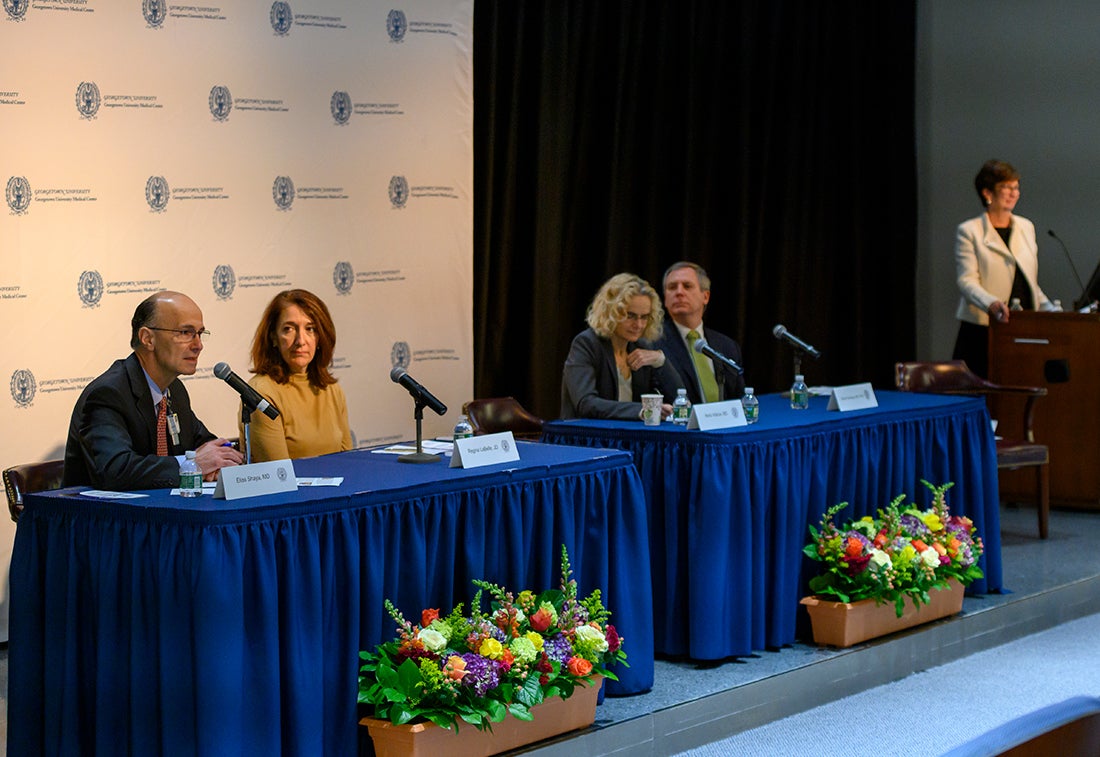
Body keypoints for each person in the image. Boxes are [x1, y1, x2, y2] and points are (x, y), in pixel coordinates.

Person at [63, 291, 243, 490]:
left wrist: (221, 460)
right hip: (99, 517)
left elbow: (203, 443)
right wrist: (193, 465)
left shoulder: (175, 389)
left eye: (200, 333)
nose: (198, 345)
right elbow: (115, 470)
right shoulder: (109, 393)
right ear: (147, 338)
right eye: (185, 333)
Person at [954, 159, 1057, 377]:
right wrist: (991, 303)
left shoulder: (1025, 227)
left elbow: (1027, 281)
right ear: (987, 193)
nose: (1013, 193)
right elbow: (966, 281)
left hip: (1023, 326)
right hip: (985, 329)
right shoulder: (969, 231)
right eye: (1006, 187)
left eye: (1016, 187)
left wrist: (1052, 311)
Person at [241, 289, 352, 461]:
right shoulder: (261, 393)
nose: (301, 341)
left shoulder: (331, 389)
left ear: (321, 337)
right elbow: (280, 475)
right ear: (273, 337)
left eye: (310, 329)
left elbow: (347, 460)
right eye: (289, 329)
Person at [560, 272, 683, 420]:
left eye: (644, 317)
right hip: (588, 438)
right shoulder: (587, 344)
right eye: (630, 316)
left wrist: (660, 361)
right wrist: (640, 410)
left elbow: (680, 399)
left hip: (633, 439)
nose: (638, 325)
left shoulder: (642, 347)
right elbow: (586, 404)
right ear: (611, 312)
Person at [654, 261, 745, 405]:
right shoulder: (653, 343)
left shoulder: (727, 346)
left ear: (706, 297)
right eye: (672, 287)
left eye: (687, 286)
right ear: (665, 298)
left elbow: (739, 400)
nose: (679, 292)